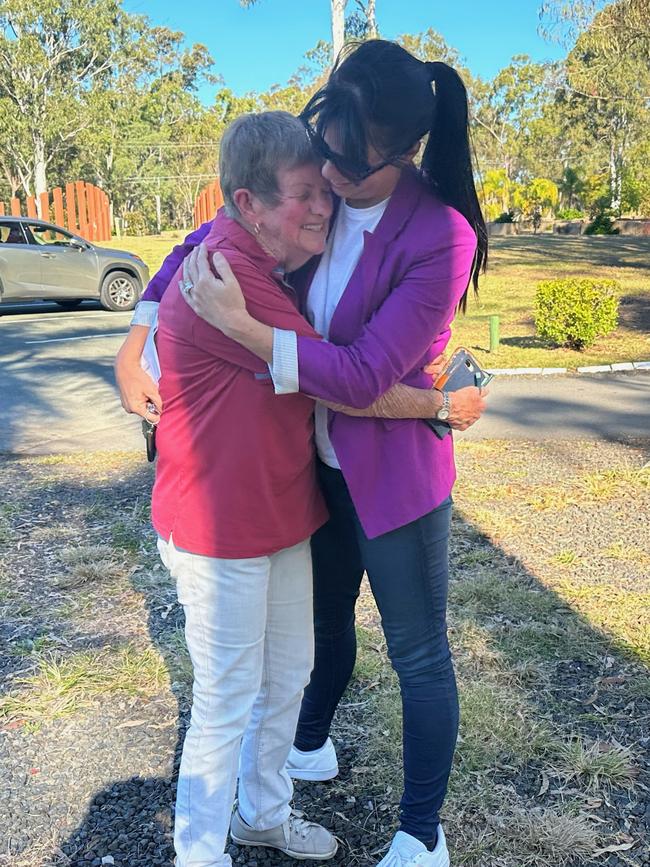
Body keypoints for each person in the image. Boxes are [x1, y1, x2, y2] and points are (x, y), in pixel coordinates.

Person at [116, 39, 488, 867]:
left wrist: (250, 330)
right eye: (324, 149)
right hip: (310, 471)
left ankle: (421, 833)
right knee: (311, 636)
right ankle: (295, 762)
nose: (329, 180)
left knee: (417, 651)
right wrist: (136, 330)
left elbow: (359, 376)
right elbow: (206, 234)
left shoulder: (439, 235)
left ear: (401, 152)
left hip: (392, 475)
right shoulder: (306, 192)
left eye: (348, 164)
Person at [148, 111, 343, 867]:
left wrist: (135, 335)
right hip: (218, 524)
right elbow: (342, 376)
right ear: (247, 202)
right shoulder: (227, 277)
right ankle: (199, 854)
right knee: (228, 698)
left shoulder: (249, 258)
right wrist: (432, 401)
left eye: (324, 190)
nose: (322, 207)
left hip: (280, 510)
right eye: (303, 195)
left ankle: (261, 814)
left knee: (287, 674)